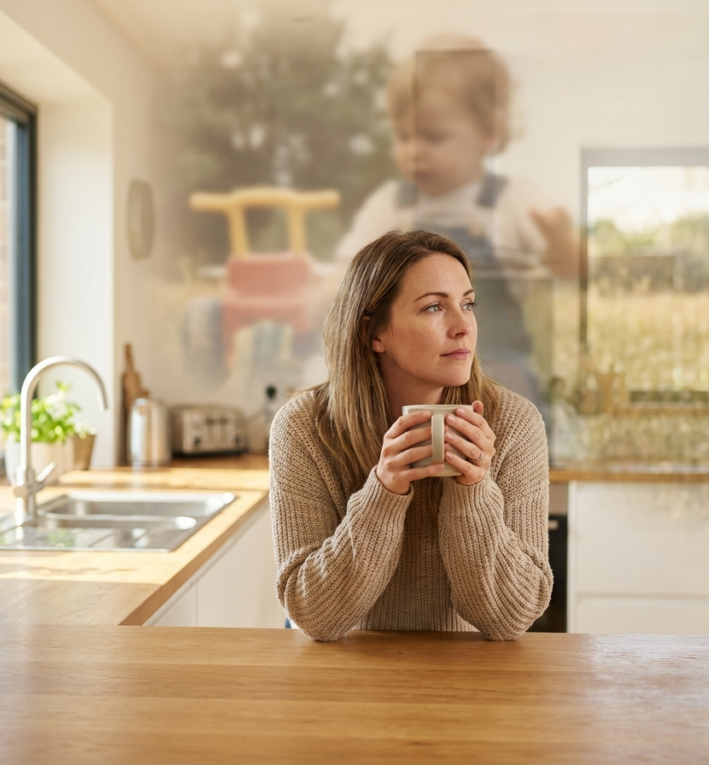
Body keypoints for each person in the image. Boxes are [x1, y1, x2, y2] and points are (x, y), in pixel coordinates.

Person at [270, 230, 552, 641]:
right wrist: (382, 492)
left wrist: (473, 489)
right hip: (345, 683)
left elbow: (511, 620)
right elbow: (314, 616)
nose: (463, 327)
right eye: (434, 307)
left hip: (471, 681)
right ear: (373, 333)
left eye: (467, 304)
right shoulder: (303, 428)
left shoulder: (514, 423)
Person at [335, 35, 577, 419]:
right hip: (406, 376)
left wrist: (560, 241)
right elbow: (345, 275)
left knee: (511, 395)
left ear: (488, 134)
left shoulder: (514, 200)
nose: (414, 150)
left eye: (433, 137)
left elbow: (573, 269)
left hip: (499, 365)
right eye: (404, 137)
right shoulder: (387, 205)